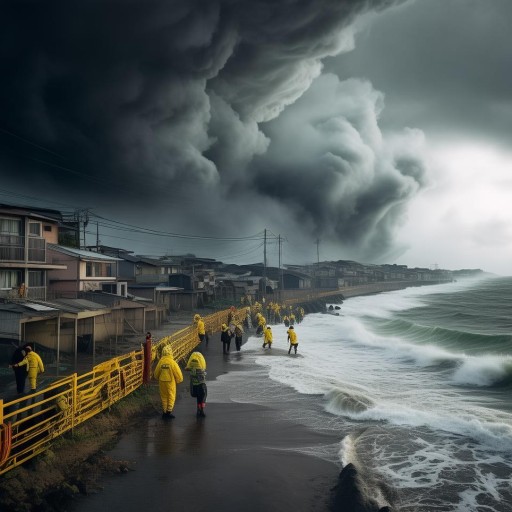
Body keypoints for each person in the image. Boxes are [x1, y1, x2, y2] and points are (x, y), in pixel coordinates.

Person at [153, 345, 183, 419]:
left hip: (162, 381)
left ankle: (164, 411)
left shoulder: (161, 362)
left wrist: (156, 377)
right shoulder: (172, 362)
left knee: (164, 396)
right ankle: (168, 412)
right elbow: (177, 372)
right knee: (171, 396)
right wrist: (179, 380)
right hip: (170, 382)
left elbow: (156, 373)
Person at [185, 351, 207, 417]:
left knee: (198, 398)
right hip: (201, 385)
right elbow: (204, 367)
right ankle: (202, 410)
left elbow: (186, 368)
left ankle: (198, 410)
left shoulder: (191, 368)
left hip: (195, 385)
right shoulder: (201, 369)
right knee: (203, 397)